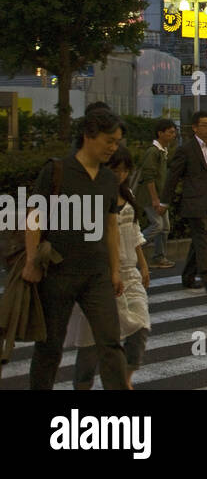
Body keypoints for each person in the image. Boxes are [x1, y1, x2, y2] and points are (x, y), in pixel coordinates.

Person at [23, 109, 130, 390]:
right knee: (49, 346)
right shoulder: (56, 170)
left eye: (117, 142)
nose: (113, 147)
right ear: (88, 136)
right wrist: (31, 261)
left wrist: (115, 270)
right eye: (109, 140)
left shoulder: (108, 179)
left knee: (110, 342)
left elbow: (111, 227)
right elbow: (34, 215)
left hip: (97, 274)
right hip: (58, 272)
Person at [68, 144, 152, 389]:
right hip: (100, 276)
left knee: (140, 327)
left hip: (130, 273)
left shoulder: (128, 196)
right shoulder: (91, 196)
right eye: (116, 169)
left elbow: (134, 232)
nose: (120, 175)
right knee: (91, 342)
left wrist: (144, 265)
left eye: (125, 170)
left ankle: (125, 380)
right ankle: (82, 385)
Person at [162, 111, 207, 292]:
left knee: (200, 240)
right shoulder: (186, 149)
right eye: (204, 124)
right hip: (195, 201)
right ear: (195, 128)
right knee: (202, 238)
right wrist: (165, 202)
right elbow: (173, 176)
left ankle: (188, 276)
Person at [136, 119, 176, 269]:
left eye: (174, 132)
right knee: (157, 226)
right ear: (160, 133)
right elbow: (149, 176)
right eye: (170, 132)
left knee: (165, 227)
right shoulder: (153, 152)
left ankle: (159, 257)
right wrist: (154, 199)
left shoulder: (162, 151)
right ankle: (133, 247)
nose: (174, 135)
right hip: (150, 196)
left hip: (160, 196)